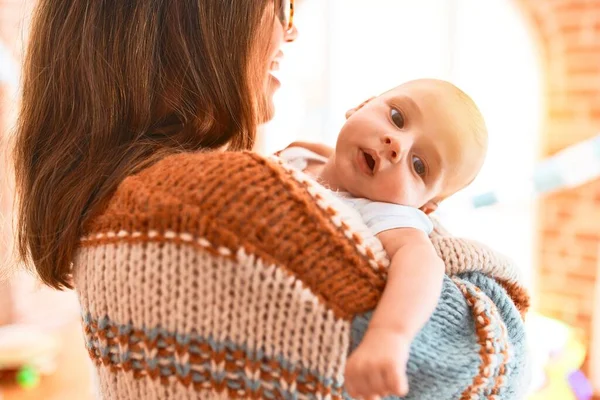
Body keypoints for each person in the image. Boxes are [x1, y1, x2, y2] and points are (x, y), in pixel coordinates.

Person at [12, 1, 529, 399]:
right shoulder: (234, 204)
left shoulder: (119, 202)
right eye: (281, 5)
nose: (293, 28)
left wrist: (424, 235)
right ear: (193, 20)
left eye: (421, 166)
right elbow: (492, 364)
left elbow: (414, 261)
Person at [278, 78, 487, 398]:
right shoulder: (298, 156)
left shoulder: (385, 214)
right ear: (361, 106)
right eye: (397, 118)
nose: (396, 144)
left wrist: (389, 335)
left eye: (419, 166)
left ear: (426, 206)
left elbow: (421, 264)